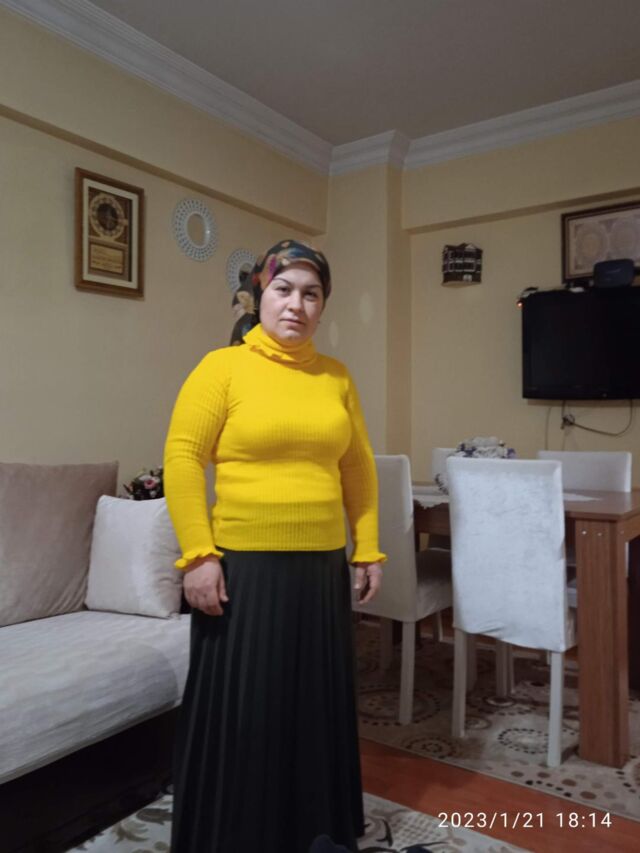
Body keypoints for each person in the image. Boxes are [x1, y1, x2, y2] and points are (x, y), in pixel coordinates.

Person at [164, 239, 386, 853]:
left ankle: (312, 835)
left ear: (323, 306)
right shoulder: (221, 368)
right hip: (244, 570)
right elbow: (182, 459)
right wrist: (198, 556)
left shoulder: (336, 377)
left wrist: (367, 548)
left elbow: (358, 467)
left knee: (313, 711)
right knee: (247, 713)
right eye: (283, 289)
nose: (296, 305)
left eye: (311, 294)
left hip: (321, 568)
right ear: (259, 295)